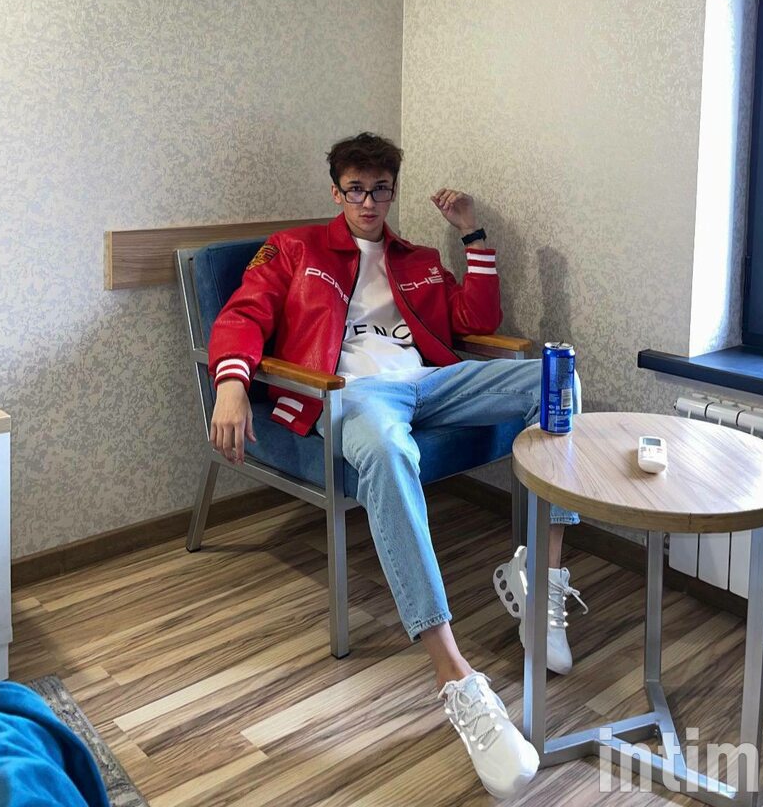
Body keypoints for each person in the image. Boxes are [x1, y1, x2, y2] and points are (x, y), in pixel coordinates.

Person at [208, 132, 587, 799]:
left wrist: (471, 234)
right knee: (386, 453)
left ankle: (541, 576)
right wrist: (232, 382)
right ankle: (457, 679)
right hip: (351, 395)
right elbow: (244, 313)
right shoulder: (295, 249)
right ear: (337, 191)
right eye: (355, 188)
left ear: (392, 192)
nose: (368, 201)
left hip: (430, 382)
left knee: (555, 379)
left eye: (380, 189)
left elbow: (476, 317)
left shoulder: (415, 260)